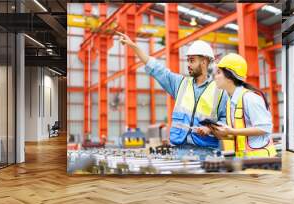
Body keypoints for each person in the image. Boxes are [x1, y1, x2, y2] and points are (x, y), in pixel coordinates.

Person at [116, 31, 228, 160]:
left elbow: (225, 124)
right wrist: (134, 46)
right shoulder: (180, 84)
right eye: (188, 60)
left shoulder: (219, 92)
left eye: (192, 61)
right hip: (178, 153)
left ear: (203, 62)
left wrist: (209, 129)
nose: (188, 65)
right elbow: (157, 69)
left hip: (206, 154)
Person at [207, 53, 277, 158]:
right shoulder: (231, 102)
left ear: (229, 76)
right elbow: (241, 136)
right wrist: (219, 134)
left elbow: (264, 128)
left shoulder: (250, 98)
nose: (215, 77)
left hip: (261, 162)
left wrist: (232, 131)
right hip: (244, 161)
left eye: (218, 72)